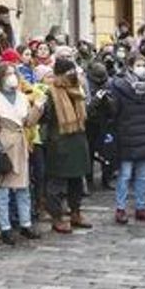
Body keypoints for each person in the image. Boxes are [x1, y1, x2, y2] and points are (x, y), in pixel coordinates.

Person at [0, 62, 44, 244]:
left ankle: (25, 223)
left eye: (13, 73)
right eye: (7, 74)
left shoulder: (21, 97)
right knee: (3, 189)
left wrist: (38, 108)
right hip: (5, 145)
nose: (11, 77)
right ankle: (5, 228)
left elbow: (28, 122)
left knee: (23, 188)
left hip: (21, 144)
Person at [104, 59, 145, 224]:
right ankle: (121, 208)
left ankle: (141, 207)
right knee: (125, 175)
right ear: (130, 67)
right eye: (138, 65)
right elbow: (114, 112)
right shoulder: (119, 86)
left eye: (143, 65)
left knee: (144, 175)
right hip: (127, 136)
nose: (141, 68)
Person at [41, 53, 93, 233]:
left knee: (77, 180)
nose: (72, 74)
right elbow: (45, 118)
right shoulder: (50, 93)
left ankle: (76, 212)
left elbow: (86, 113)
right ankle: (57, 216)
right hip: (59, 141)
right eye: (68, 71)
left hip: (78, 138)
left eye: (73, 70)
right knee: (56, 183)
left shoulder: (77, 89)